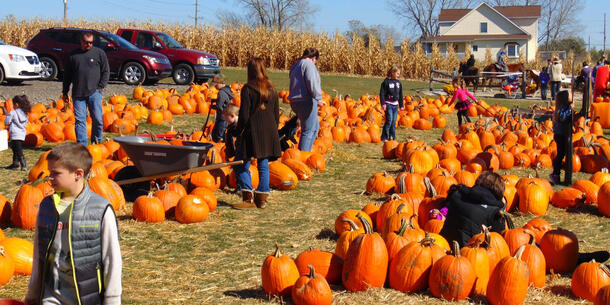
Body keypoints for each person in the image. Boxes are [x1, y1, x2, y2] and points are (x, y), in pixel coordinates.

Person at [25, 143, 122, 305]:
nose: (49, 178)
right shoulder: (47, 207)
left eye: (55, 173)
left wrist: (112, 300)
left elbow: (111, 259)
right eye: (49, 173)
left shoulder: (99, 210)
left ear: (78, 174)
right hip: (52, 297)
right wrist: (33, 291)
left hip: (86, 299)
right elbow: (38, 253)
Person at [232, 58, 281, 210]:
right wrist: (273, 130)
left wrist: (236, 131)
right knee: (263, 163)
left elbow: (245, 115)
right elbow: (276, 114)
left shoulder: (248, 88)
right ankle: (262, 198)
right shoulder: (272, 88)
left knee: (240, 162)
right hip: (270, 130)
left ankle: (248, 197)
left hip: (253, 131)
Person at [62, 31, 110, 146]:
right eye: (86, 42)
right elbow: (67, 75)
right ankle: (82, 145)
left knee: (98, 119)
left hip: (94, 93)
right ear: (81, 41)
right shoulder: (73, 55)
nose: (89, 45)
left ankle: (96, 142)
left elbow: (106, 71)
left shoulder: (99, 53)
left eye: (91, 42)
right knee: (80, 121)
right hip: (78, 94)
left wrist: (101, 86)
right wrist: (65, 91)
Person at [439, 171, 507, 247]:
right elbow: (499, 240)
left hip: (443, 245)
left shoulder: (457, 193)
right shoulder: (493, 212)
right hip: (469, 251)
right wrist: (503, 207)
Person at [288, 48, 322, 152]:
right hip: (306, 100)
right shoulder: (309, 65)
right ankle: (303, 155)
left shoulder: (296, 65)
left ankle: (307, 151)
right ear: (314, 58)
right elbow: (311, 82)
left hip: (295, 100)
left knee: (315, 126)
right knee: (308, 130)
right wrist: (318, 97)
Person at [549, 90, 574, 185]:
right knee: (560, 154)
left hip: (562, 134)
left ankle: (558, 170)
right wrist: (570, 110)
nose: (572, 95)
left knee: (563, 153)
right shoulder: (561, 109)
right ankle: (555, 173)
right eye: (570, 95)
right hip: (560, 135)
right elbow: (562, 117)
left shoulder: (564, 107)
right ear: (565, 99)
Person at [4, 95, 30, 171]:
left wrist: (7, 118)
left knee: (18, 150)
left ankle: (23, 164)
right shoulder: (24, 113)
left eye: (13, 104)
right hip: (22, 134)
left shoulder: (13, 113)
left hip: (15, 133)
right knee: (15, 148)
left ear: (16, 104)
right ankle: (15, 164)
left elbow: (7, 122)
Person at [379, 65, 404, 141]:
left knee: (393, 122)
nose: (398, 75)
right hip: (388, 104)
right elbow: (382, 93)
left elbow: (400, 94)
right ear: (392, 73)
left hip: (395, 105)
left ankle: (392, 137)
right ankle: (384, 137)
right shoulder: (386, 82)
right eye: (397, 73)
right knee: (389, 121)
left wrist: (401, 105)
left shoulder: (398, 83)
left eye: (399, 73)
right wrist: (383, 104)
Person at [210, 74, 235, 142]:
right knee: (223, 133)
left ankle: (219, 147)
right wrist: (216, 100)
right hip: (226, 117)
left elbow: (219, 106)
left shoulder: (221, 93)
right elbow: (224, 101)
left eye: (216, 84)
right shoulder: (227, 91)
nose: (215, 86)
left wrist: (212, 106)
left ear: (222, 83)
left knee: (218, 135)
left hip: (222, 118)